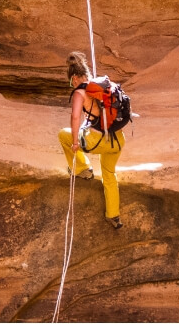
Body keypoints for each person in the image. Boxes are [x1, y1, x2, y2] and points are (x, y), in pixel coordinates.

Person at [58, 51, 125, 229]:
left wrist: (74, 143)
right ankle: (113, 215)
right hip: (117, 139)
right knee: (109, 175)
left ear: (74, 78)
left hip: (98, 140)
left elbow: (75, 118)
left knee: (63, 134)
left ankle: (82, 169)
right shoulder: (100, 84)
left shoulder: (80, 92)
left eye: (71, 81)